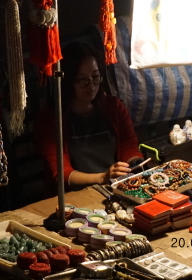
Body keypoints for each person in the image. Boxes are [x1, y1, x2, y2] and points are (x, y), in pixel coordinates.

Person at [35, 41, 142, 193]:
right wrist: (102, 177)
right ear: (68, 80)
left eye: (95, 77)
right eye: (83, 80)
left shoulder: (113, 107)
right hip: (75, 194)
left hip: (115, 187)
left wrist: (135, 163)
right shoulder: (51, 118)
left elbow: (129, 145)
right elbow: (61, 172)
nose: (91, 85)